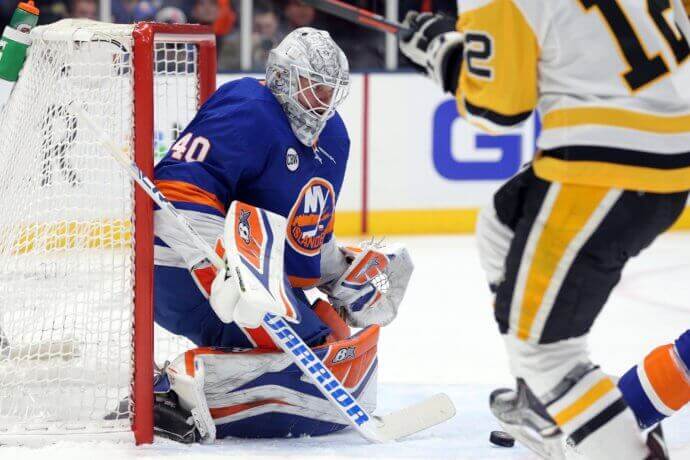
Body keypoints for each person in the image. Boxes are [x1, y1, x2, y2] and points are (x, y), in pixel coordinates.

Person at [399, 0, 690, 458]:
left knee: (548, 353)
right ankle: (537, 399)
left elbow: (499, 107)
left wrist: (445, 56)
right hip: (670, 151)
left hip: (603, 167)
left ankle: (556, 399)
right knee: (502, 225)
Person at [151, 27, 413, 442]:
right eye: (313, 88)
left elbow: (299, 245)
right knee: (306, 357)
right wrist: (225, 264)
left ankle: (187, 387)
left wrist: (339, 273)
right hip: (176, 261)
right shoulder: (249, 107)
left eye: (331, 91)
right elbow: (174, 195)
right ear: (282, 77)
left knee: (336, 349)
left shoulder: (334, 138)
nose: (322, 103)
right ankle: (168, 394)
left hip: (245, 272)